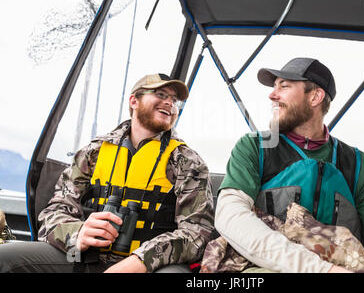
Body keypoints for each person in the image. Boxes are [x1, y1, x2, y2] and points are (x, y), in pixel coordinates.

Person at [214, 58, 364, 273]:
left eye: (283, 86)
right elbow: (231, 215)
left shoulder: (359, 164)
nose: (272, 95)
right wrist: (322, 270)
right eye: (274, 86)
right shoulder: (254, 147)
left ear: (315, 96)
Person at [0, 74, 214, 273]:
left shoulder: (188, 162)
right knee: (6, 258)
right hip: (85, 256)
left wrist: (141, 260)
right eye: (160, 95)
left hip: (151, 266)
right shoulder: (93, 152)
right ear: (134, 101)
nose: (170, 103)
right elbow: (54, 211)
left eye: (175, 100)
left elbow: (197, 233)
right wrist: (77, 233)